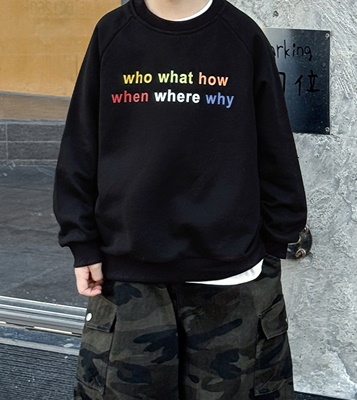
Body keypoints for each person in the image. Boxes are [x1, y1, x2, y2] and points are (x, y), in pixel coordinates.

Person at [53, 0, 307, 398]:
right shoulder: (113, 32)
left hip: (229, 271)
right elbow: (81, 142)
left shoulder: (241, 35)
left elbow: (274, 144)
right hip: (129, 268)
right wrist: (81, 242)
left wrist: (277, 241)